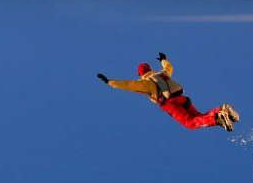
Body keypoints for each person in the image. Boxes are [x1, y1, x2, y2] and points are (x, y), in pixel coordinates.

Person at [96, 52, 239, 132]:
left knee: (190, 123)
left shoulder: (146, 83)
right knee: (199, 116)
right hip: (182, 98)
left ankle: (218, 118)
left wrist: (110, 82)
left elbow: (129, 84)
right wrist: (164, 60)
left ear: (140, 74)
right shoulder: (161, 74)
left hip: (170, 103)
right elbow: (169, 68)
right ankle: (220, 110)